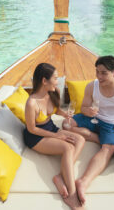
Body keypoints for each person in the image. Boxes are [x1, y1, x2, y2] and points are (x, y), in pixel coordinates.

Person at [68, 55, 114, 205]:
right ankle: (97, 138)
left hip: (112, 124)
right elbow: (84, 107)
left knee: (108, 149)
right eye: (97, 72)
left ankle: (83, 182)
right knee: (66, 125)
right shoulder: (92, 86)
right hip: (94, 118)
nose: (99, 76)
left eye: (104, 73)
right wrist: (87, 111)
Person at [24, 63, 88, 208]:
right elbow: (32, 129)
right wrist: (57, 137)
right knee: (68, 148)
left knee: (80, 139)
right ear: (44, 81)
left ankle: (60, 176)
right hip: (36, 137)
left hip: (50, 127)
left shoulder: (54, 91)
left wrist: (66, 114)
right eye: (55, 78)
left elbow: (56, 110)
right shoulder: (31, 103)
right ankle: (71, 194)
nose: (57, 81)